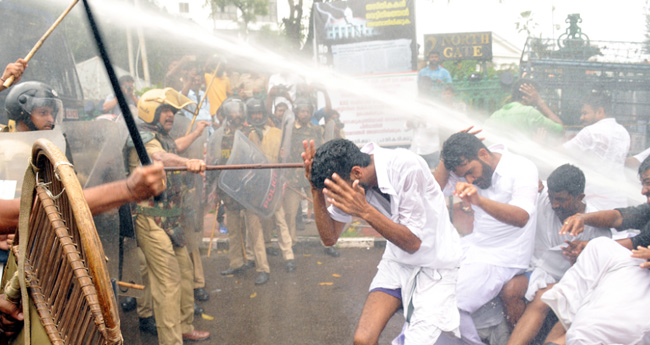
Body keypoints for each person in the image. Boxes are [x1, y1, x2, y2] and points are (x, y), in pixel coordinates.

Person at [303, 138, 461, 345]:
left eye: (335, 192)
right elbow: (329, 238)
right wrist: (315, 189)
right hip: (396, 262)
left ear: (357, 173)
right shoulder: (350, 177)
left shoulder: (405, 166)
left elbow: (413, 243)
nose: (335, 198)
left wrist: (364, 211)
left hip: (435, 265)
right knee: (363, 340)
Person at [433, 132, 538, 345]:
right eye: (465, 175)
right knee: (425, 302)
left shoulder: (522, 167)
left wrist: (478, 201)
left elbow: (521, 217)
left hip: (504, 257)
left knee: (450, 307)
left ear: (483, 153)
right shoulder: (466, 165)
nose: (470, 179)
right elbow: (431, 193)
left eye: (471, 172)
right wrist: (448, 154)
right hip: (472, 249)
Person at [126, 88, 210, 344]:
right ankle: (171, 340)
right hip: (150, 219)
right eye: (165, 110)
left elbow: (175, 146)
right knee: (169, 282)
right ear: (150, 111)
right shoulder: (140, 138)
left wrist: (195, 134)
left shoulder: (161, 136)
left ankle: (184, 327)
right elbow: (159, 157)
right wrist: (187, 163)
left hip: (170, 218)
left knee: (185, 272)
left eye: (172, 111)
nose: (170, 115)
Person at [504, 164, 610, 345]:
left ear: (580, 197)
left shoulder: (597, 225)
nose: (554, 204)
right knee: (511, 290)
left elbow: (597, 269)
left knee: (543, 297)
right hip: (537, 269)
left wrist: (578, 256)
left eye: (561, 200)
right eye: (552, 197)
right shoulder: (544, 196)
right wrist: (530, 184)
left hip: (569, 280)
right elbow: (522, 179)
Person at [245, 98, 296, 275]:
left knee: (280, 220)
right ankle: (253, 259)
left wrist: (284, 178)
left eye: (260, 113)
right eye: (254, 113)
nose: (257, 116)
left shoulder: (277, 132)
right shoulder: (245, 134)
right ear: (249, 115)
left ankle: (289, 257)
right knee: (253, 226)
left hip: (273, 183)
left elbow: (285, 156)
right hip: (254, 186)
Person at [283, 98, 339, 257]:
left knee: (321, 210)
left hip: (312, 176)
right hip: (293, 176)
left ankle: (328, 243)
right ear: (297, 113)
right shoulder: (289, 131)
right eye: (302, 111)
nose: (305, 114)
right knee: (291, 213)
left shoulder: (316, 130)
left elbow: (322, 149)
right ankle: (291, 243)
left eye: (307, 111)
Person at [214, 98, 259, 281]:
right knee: (233, 230)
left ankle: (258, 263)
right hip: (229, 190)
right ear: (226, 114)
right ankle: (236, 263)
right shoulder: (219, 135)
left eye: (239, 111)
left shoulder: (250, 133)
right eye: (232, 111)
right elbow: (215, 162)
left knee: (252, 230)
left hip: (248, 189)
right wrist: (216, 190)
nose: (236, 115)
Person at [563, 92, 630, 211]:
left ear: (600, 111)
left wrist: (541, 143)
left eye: (585, 113)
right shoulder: (623, 132)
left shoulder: (591, 131)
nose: (581, 118)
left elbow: (561, 152)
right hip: (619, 199)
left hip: (595, 200)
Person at [484, 79, 563, 140]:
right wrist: (539, 101)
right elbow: (560, 130)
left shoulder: (494, 116)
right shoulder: (529, 113)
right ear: (527, 96)